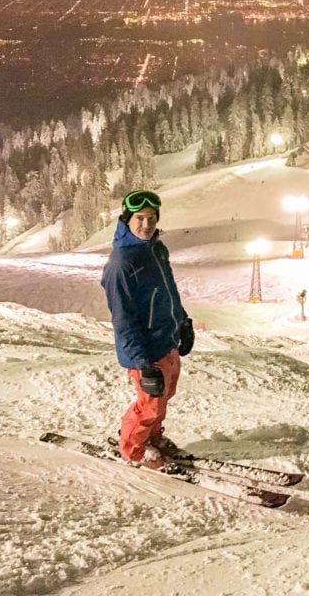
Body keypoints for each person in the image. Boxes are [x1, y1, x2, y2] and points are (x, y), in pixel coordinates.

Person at [101, 189, 194, 470]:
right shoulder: (121, 264)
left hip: (166, 341)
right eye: (139, 218)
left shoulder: (156, 249)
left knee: (163, 398)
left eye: (152, 218)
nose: (146, 225)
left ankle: (152, 437)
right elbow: (124, 321)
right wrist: (142, 363)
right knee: (149, 404)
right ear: (127, 220)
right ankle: (134, 450)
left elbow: (169, 292)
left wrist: (183, 322)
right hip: (145, 351)